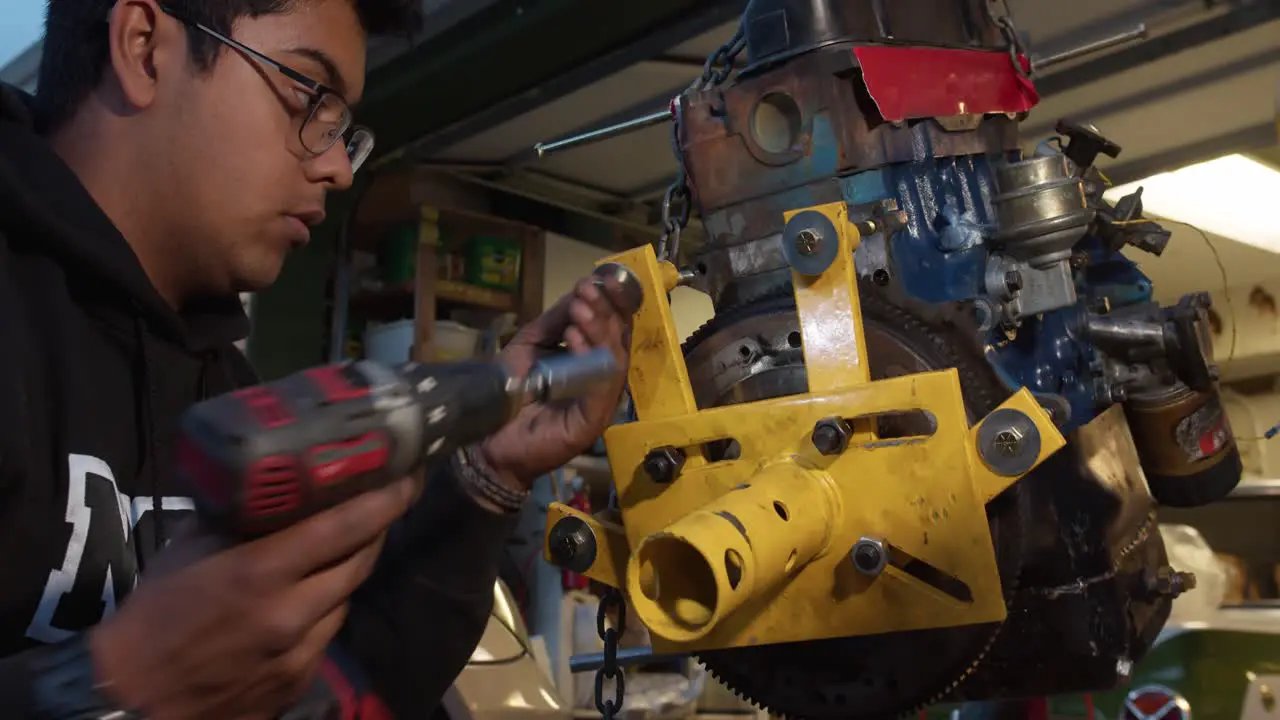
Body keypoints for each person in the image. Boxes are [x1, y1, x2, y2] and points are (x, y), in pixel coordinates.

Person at [0, 0, 632, 717]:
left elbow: (353, 683)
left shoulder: (224, 395)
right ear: (145, 47)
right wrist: (120, 680)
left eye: (342, 130)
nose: (337, 166)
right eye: (308, 95)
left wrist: (492, 471)